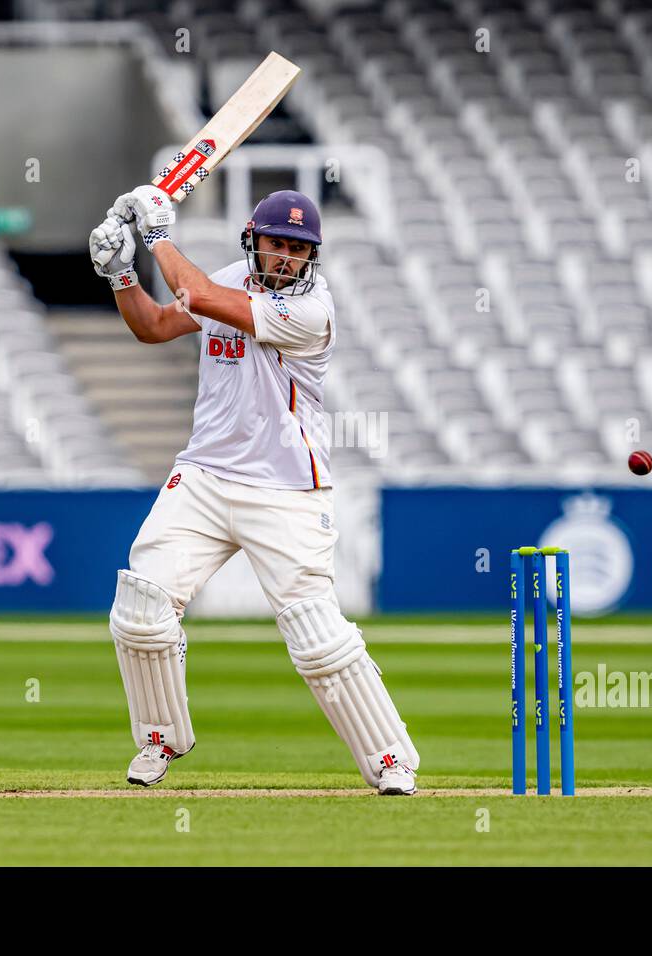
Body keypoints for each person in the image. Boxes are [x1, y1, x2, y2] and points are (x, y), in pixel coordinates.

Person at [88, 185, 419, 795]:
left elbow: (207, 298)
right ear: (254, 239)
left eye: (300, 248)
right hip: (206, 477)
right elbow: (157, 326)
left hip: (287, 488)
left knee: (317, 634)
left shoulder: (313, 310)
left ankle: (389, 759)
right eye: (278, 244)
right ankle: (159, 738)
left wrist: (157, 238)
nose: (288, 257)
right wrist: (120, 275)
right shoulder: (225, 277)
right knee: (141, 608)